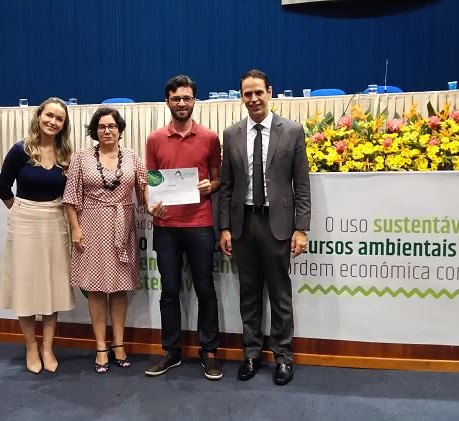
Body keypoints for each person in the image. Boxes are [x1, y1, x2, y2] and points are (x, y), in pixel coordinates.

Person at [218, 70, 311, 386]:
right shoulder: (231, 134)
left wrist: (302, 228)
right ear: (241, 96)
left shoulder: (293, 131)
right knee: (249, 295)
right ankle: (252, 354)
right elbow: (227, 186)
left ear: (269, 92)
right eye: (247, 93)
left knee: (280, 296)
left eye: (259, 92)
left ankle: (283, 358)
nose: (254, 98)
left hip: (278, 225)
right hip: (244, 224)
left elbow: (302, 183)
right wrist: (225, 228)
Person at [143, 75, 223, 380]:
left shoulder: (210, 137)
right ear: (167, 101)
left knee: (205, 289)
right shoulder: (154, 139)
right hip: (166, 226)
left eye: (187, 98)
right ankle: (172, 351)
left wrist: (209, 185)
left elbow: (218, 179)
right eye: (176, 98)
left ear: (194, 101)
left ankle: (209, 352)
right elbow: (150, 181)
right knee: (170, 291)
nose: (181, 103)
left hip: (200, 224)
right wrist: (150, 203)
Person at [63, 107, 148, 374]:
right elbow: (70, 198)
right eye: (102, 127)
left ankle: (119, 344)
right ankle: (101, 346)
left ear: (120, 129)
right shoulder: (81, 157)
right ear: (94, 131)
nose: (107, 131)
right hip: (91, 225)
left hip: (122, 226)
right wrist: (75, 229)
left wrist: (164, 200)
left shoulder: (133, 157)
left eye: (112, 126)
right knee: (96, 290)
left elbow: (146, 190)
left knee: (120, 288)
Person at [0, 97, 75, 374]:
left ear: (64, 125)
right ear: (39, 116)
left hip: (55, 221)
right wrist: (23, 212)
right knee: (27, 288)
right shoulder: (20, 150)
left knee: (51, 286)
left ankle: (48, 347)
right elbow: (3, 189)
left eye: (59, 119)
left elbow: (70, 196)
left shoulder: (67, 155)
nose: (53, 122)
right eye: (49, 116)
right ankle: (31, 347)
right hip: (25, 222)